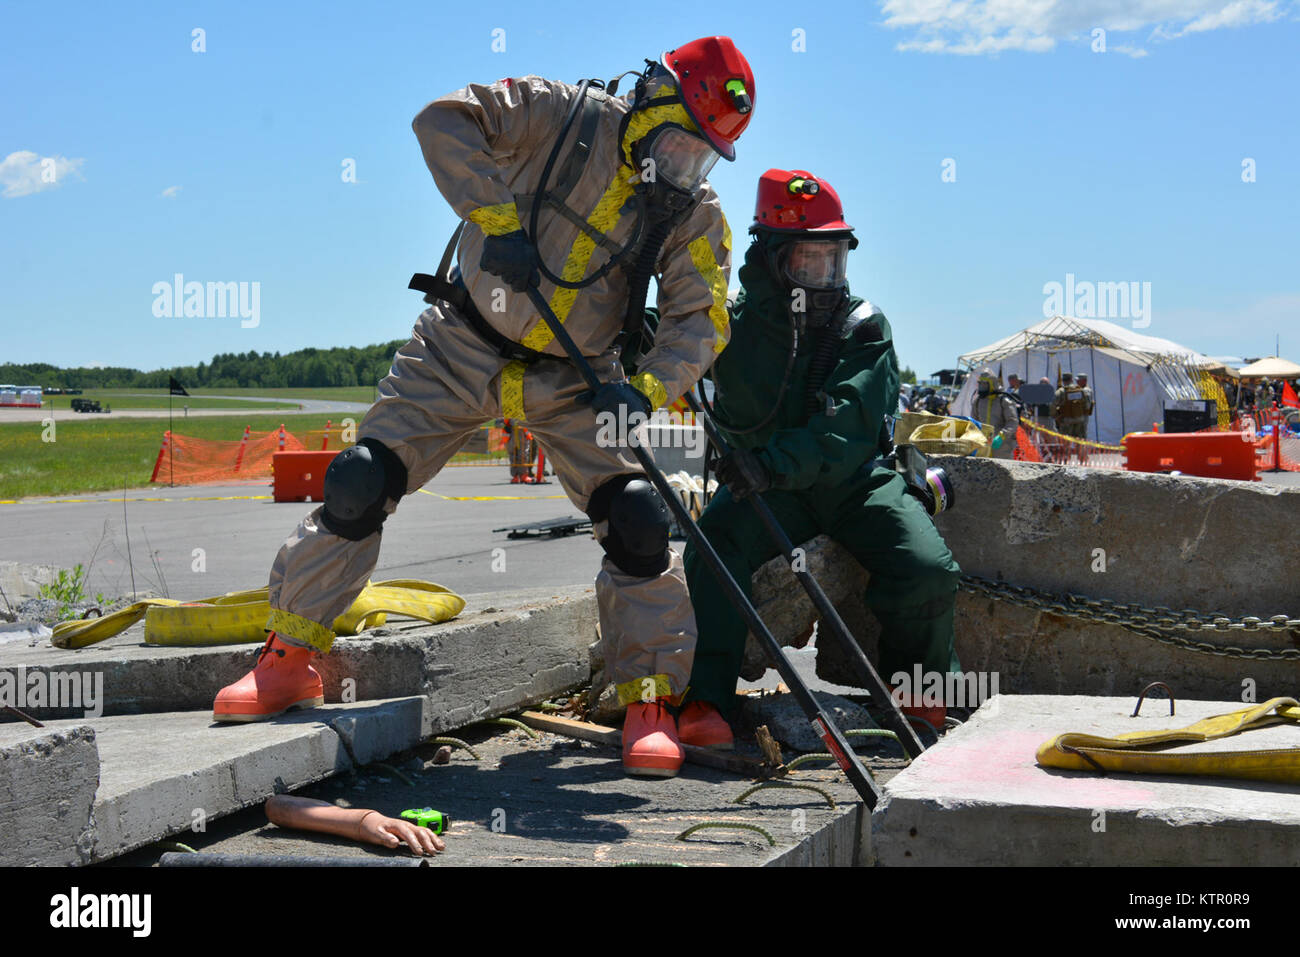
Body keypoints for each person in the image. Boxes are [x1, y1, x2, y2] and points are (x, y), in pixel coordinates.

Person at [211, 37, 758, 780]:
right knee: (358, 480)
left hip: (577, 377)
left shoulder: (689, 211)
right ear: (649, 103)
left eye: (701, 158)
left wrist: (647, 390)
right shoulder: (556, 112)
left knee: (636, 514)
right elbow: (443, 121)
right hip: (460, 341)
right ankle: (291, 656)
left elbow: (702, 318)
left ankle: (649, 698)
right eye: (678, 145)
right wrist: (497, 219)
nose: (683, 168)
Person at [676, 168, 962, 750]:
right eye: (810, 260)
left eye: (834, 259)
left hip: (852, 481)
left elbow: (851, 427)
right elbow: (666, 343)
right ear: (774, 256)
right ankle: (706, 697)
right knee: (712, 551)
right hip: (766, 486)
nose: (824, 276)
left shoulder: (863, 325)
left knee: (926, 566)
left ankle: (919, 694)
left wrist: (773, 462)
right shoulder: (727, 321)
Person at [974, 369, 1019, 460]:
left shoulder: (1004, 401)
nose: (982, 387)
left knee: (1002, 472)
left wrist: (1002, 436)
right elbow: (973, 422)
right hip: (983, 446)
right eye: (980, 384)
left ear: (992, 384)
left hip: (1003, 447)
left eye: (985, 384)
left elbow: (1013, 421)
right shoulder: (978, 401)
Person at [1051, 372, 1091, 463]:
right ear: (1072, 379)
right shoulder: (1081, 390)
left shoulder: (1060, 392)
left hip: (1066, 421)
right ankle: (1083, 460)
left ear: (1063, 380)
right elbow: (1087, 406)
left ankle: (1066, 460)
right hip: (1079, 420)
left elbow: (1052, 405)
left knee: (1065, 442)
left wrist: (1056, 417)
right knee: (1081, 441)